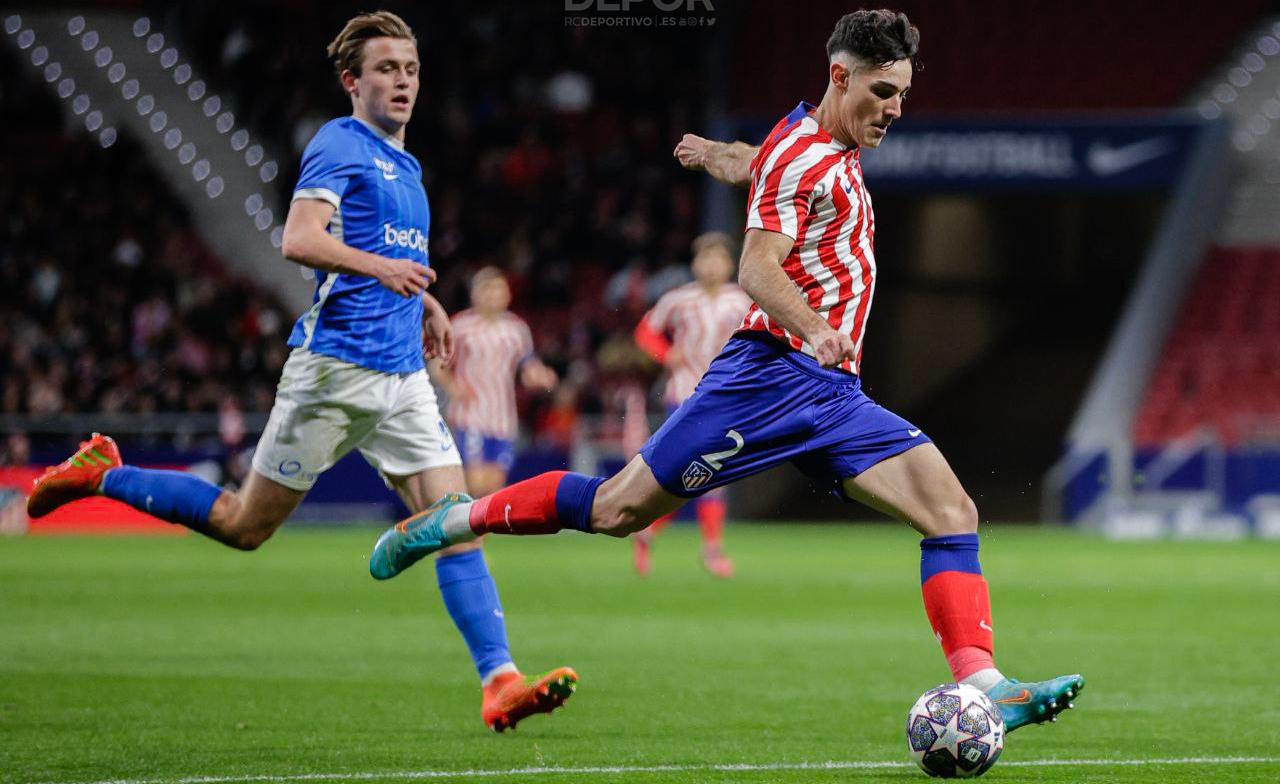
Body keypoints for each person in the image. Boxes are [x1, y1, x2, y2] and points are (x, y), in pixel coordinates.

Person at [367, 8, 1083, 733]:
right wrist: (814, 328)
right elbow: (757, 268)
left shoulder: (812, 142)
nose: (895, 109)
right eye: (882, 92)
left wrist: (719, 155)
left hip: (833, 394)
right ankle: (454, 519)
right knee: (616, 511)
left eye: (901, 93)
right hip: (767, 379)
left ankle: (985, 684)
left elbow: (760, 163)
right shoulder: (803, 155)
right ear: (840, 77)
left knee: (951, 512)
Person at [26, 10, 575, 733]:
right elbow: (299, 238)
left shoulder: (408, 167)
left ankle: (499, 682)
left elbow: (391, 257)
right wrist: (382, 269)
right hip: (334, 371)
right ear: (352, 81)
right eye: (386, 69)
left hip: (404, 377)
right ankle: (103, 474)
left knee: (457, 523)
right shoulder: (339, 143)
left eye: (410, 69)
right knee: (243, 524)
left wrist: (427, 302)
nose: (402, 81)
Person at [631, 232, 752, 578]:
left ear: (730, 264)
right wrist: (665, 353)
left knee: (708, 473)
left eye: (718, 258)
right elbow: (646, 331)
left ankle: (660, 535)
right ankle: (698, 545)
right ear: (695, 264)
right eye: (705, 258)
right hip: (684, 395)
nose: (711, 265)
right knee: (693, 472)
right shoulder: (678, 300)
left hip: (727, 396)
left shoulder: (742, 301)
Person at [434, 266, 557, 498]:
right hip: (470, 414)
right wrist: (453, 387)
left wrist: (541, 376)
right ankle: (461, 521)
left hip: (503, 418)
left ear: (507, 294)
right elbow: (438, 365)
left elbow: (528, 367)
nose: (493, 295)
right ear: (475, 294)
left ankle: (478, 525)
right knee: (475, 484)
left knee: (494, 487)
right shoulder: (460, 326)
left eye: (498, 289)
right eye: (487, 289)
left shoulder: (517, 330)